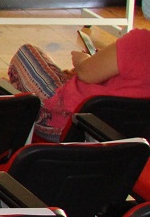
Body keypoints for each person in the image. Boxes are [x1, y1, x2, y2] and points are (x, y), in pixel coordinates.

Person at [8, 28, 150, 140]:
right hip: (123, 139)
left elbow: (86, 73)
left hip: (69, 124)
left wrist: (82, 59)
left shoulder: (141, 41)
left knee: (27, 52)